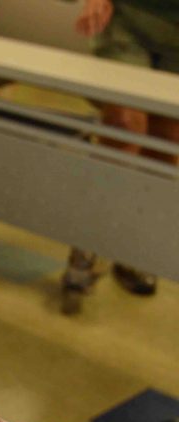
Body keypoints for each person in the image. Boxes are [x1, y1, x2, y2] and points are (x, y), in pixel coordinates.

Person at [63, 0, 179, 311]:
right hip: (127, 16)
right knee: (125, 123)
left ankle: (133, 248)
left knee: (167, 140)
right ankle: (89, 240)